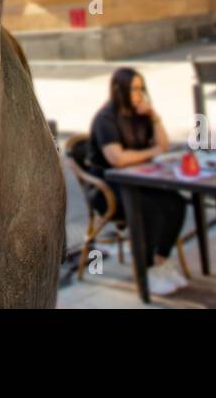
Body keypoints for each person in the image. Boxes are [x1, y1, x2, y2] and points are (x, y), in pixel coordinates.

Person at [87, 67, 190, 296]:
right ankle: (145, 270)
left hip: (140, 181)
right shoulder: (106, 119)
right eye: (134, 89)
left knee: (176, 204)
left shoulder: (140, 113)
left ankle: (160, 261)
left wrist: (155, 117)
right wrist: (151, 151)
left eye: (141, 88)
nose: (139, 93)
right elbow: (118, 159)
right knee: (149, 210)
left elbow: (163, 143)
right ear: (120, 90)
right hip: (109, 189)